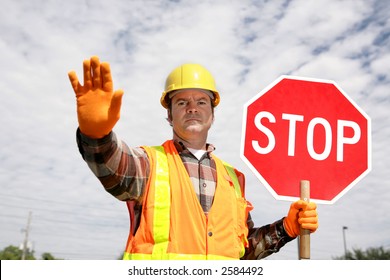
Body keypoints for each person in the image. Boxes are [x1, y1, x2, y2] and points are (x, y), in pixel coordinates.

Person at [68, 56, 318, 260]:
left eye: (201, 101)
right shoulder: (149, 162)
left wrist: (287, 228)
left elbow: (242, 251)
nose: (192, 107)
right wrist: (96, 133)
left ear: (212, 114)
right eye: (181, 102)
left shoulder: (234, 179)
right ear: (169, 115)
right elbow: (113, 168)